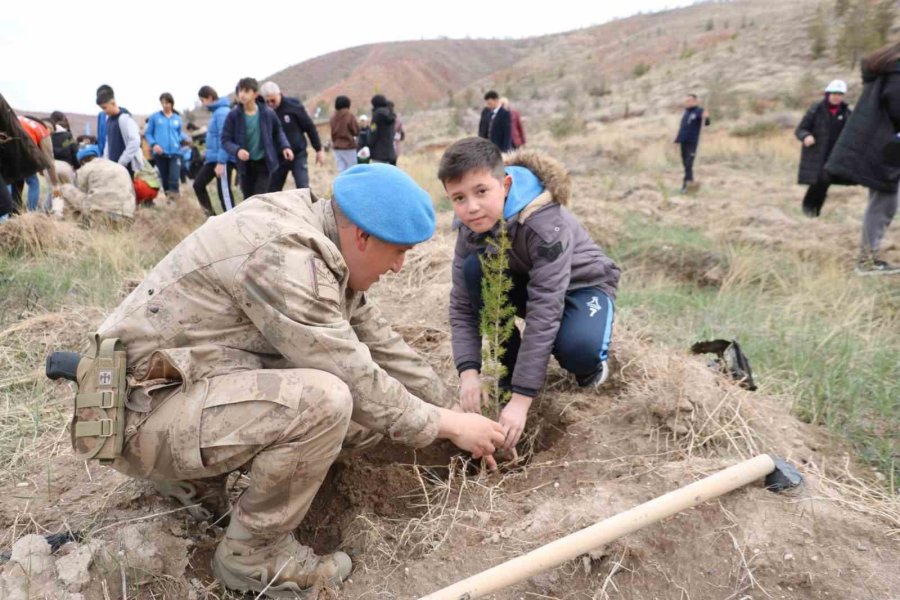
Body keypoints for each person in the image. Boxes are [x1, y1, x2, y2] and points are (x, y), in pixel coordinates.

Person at [73, 164, 507, 598]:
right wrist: (448, 427)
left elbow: (380, 344)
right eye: (398, 252)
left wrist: (456, 411)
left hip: (170, 392)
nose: (399, 267)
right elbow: (356, 380)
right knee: (327, 402)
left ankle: (195, 479)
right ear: (362, 237)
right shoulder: (285, 258)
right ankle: (252, 558)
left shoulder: (319, 231)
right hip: (136, 420)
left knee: (349, 415)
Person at [441, 137, 620, 452]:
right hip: (530, 281)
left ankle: (589, 362)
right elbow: (462, 306)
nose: (471, 207)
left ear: (505, 184)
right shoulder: (469, 229)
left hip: (584, 286)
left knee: (578, 351)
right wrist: (468, 371)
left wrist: (523, 402)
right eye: (458, 198)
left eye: (481, 191)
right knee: (474, 271)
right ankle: (509, 374)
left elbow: (544, 310)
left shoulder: (542, 224)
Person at [827, 42, 900, 275]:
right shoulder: (896, 72)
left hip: (880, 142)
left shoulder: (888, 68)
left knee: (882, 201)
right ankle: (867, 261)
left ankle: (868, 257)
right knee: (884, 203)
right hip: (884, 145)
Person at [222, 77, 293, 199]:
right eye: (240, 91)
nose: (242, 94)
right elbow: (225, 139)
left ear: (255, 94)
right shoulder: (233, 115)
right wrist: (237, 150)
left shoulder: (267, 113)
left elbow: (278, 132)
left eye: (246, 91)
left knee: (259, 197)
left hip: (264, 163)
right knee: (248, 199)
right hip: (245, 166)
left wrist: (285, 147)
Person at [795, 80, 852, 217]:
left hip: (834, 155)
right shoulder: (816, 109)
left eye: (839, 94)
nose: (836, 97)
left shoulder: (846, 112)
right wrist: (806, 136)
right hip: (816, 154)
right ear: (828, 94)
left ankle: (812, 211)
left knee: (824, 183)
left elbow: (853, 132)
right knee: (821, 181)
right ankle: (809, 209)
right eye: (834, 93)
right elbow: (801, 129)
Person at [260, 81, 324, 191]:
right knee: (272, 191)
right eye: (267, 101)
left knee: (303, 188)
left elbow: (310, 127)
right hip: (277, 157)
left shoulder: (294, 106)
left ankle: (306, 208)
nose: (270, 104)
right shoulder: (264, 112)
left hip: (298, 154)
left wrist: (318, 149)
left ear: (279, 94)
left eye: (273, 100)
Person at [59, 144, 135, 224]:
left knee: (65, 188)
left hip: (100, 217)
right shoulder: (119, 167)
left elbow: (82, 192)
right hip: (127, 219)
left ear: (82, 161)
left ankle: (70, 223)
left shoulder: (84, 169)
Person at [193, 86, 236, 216]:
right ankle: (211, 218)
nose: (202, 104)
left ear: (210, 98)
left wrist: (221, 161)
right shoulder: (216, 113)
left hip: (222, 159)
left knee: (224, 194)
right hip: (213, 159)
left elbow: (225, 138)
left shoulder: (222, 112)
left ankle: (233, 221)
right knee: (198, 185)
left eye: (202, 100)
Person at [145, 93, 188, 199]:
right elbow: (148, 133)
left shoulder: (177, 118)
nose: (165, 105)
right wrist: (154, 144)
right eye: (163, 103)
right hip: (160, 153)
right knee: (164, 179)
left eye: (167, 102)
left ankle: (175, 203)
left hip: (175, 153)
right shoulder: (155, 117)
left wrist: (184, 140)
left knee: (174, 178)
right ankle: (169, 200)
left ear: (172, 103)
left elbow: (178, 134)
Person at [15, 115, 60, 213]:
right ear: (48, 128)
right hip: (20, 151)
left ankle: (10, 212)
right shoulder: (43, 130)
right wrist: (55, 183)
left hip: (6, 148)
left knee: (11, 181)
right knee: (33, 182)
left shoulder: (22, 120)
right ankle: (31, 212)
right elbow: (49, 161)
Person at [96, 86, 143, 177]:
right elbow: (108, 142)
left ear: (113, 103)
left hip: (126, 167)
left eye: (105, 108)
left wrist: (122, 161)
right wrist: (106, 160)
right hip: (113, 166)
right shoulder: (108, 120)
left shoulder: (124, 118)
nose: (104, 111)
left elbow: (135, 141)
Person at [674, 93, 710, 193]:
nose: (687, 102)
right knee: (686, 165)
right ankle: (691, 185)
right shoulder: (686, 112)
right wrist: (677, 140)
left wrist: (706, 117)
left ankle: (686, 186)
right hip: (683, 141)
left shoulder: (699, 111)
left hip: (692, 142)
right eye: (686, 101)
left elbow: (706, 123)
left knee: (689, 164)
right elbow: (683, 128)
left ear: (695, 101)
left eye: (689, 100)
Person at [330, 95, 360, 173]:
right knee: (352, 170)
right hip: (349, 147)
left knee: (341, 170)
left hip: (337, 147)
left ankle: (342, 185)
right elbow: (356, 131)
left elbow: (332, 133)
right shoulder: (349, 116)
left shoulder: (333, 117)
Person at [368, 95, 397, 165]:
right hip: (390, 152)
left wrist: (369, 143)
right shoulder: (390, 114)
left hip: (378, 153)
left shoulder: (376, 115)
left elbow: (373, 131)